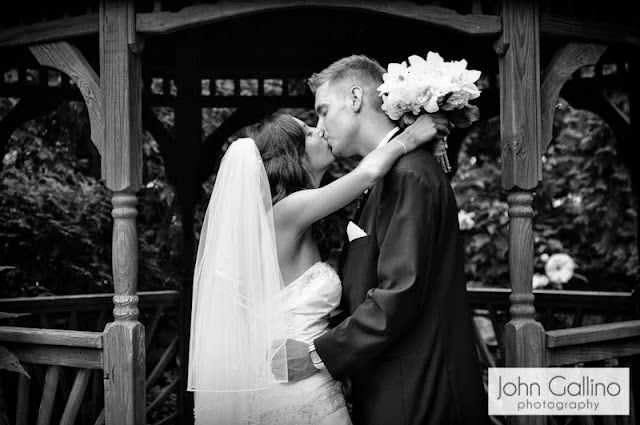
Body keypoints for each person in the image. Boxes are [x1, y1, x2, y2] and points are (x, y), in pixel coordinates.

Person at [188, 111, 447, 424]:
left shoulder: (296, 217)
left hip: (304, 377)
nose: (321, 130)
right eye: (308, 130)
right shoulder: (288, 211)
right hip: (296, 388)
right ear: (293, 155)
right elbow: (368, 173)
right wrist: (410, 137)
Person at [282, 55, 489, 425]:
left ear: (356, 98)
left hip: (418, 396)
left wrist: (318, 354)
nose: (320, 126)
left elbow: (400, 292)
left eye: (323, 111)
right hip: (393, 390)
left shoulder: (408, 173)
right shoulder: (387, 174)